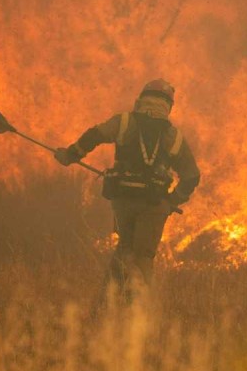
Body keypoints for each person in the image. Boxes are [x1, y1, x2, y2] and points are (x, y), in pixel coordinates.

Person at [54, 79, 200, 295]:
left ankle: (109, 302)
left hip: (123, 201)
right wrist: (172, 201)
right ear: (169, 105)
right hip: (154, 206)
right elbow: (191, 176)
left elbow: (95, 135)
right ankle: (142, 308)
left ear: (141, 99)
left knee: (125, 250)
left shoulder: (124, 122)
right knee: (143, 258)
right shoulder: (173, 136)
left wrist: (71, 154)